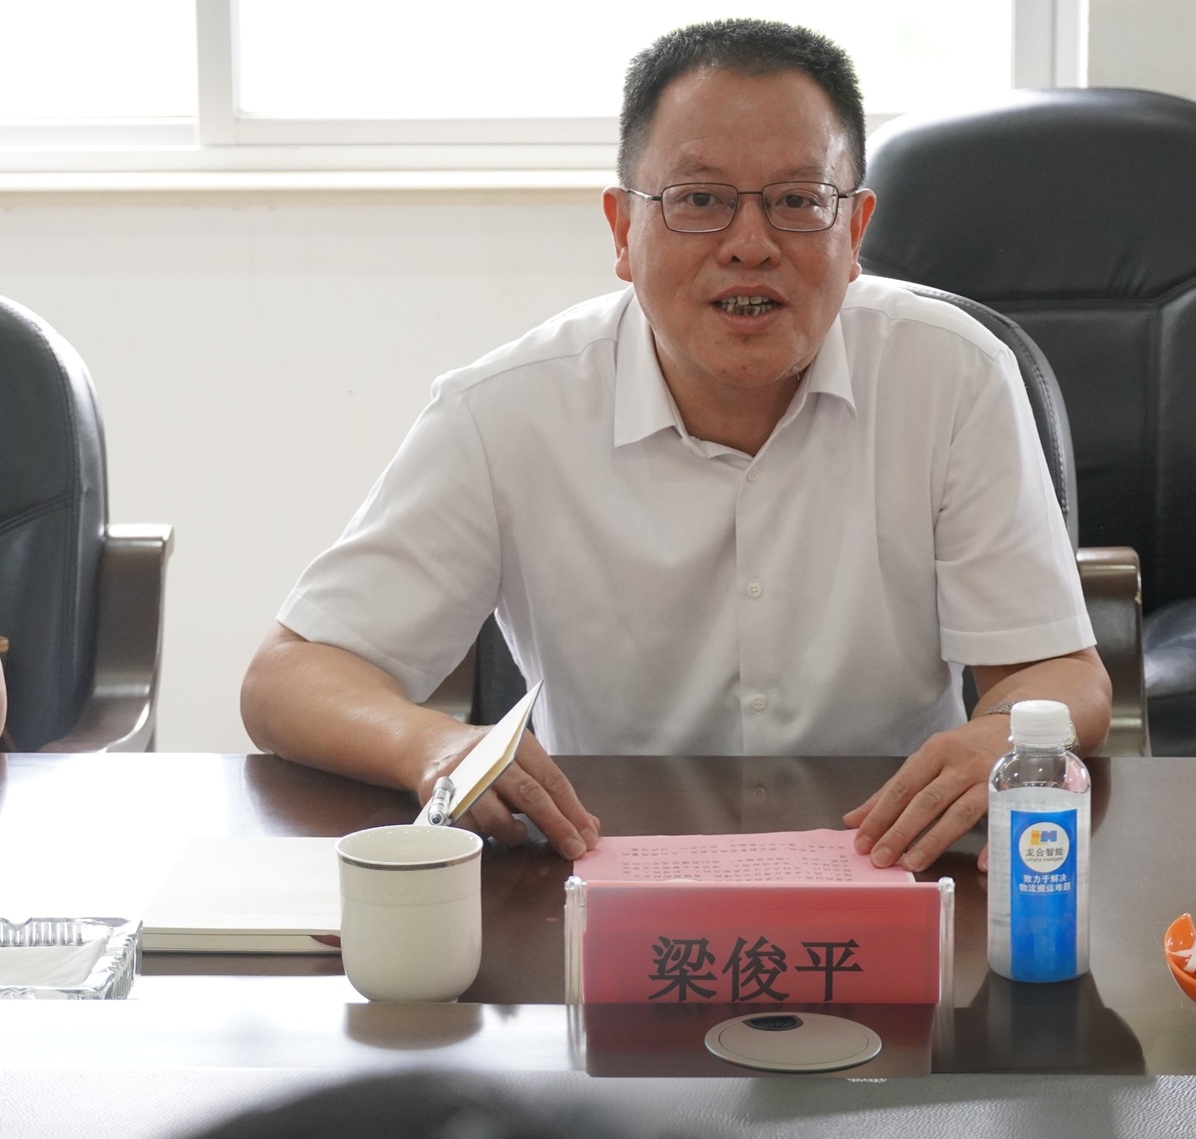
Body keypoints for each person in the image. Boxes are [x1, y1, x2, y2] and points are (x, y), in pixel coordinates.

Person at [241, 18, 1111, 874]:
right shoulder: (506, 411)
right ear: (623, 230)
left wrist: (1005, 736)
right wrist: (433, 746)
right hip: (601, 879)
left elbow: (1061, 673)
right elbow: (289, 676)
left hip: (893, 871)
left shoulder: (954, 376)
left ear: (854, 233)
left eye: (797, 201)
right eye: (699, 200)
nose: (749, 246)